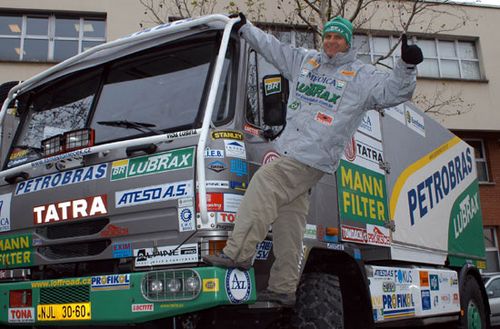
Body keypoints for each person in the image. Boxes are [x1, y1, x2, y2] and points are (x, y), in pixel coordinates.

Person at [203, 13, 423, 306]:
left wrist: (407, 66)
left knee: (266, 180)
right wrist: (245, 28)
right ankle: (283, 288)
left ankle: (238, 253)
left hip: (315, 155)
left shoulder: (361, 76)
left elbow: (394, 91)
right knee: (289, 219)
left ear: (347, 42)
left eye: (338, 37)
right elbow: (272, 48)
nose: (331, 42)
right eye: (328, 36)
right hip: (290, 150)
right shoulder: (306, 62)